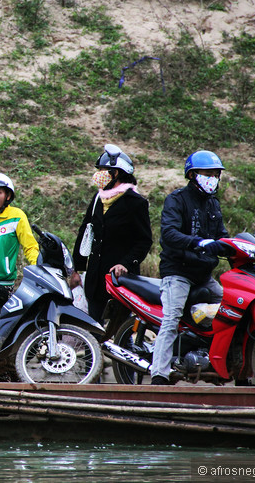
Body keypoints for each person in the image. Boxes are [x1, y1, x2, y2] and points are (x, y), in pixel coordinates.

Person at [150, 150, 228, 385]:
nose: (212, 178)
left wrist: (233, 247)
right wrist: (197, 242)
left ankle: (228, 365)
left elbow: (222, 236)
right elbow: (169, 234)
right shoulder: (177, 200)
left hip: (204, 274)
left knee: (230, 310)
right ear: (193, 175)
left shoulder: (213, 203)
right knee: (171, 318)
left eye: (216, 174)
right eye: (208, 173)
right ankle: (159, 374)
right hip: (178, 272)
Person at [73, 144, 152, 322]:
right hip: (95, 278)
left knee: (119, 327)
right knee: (93, 328)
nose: (98, 174)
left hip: (120, 279)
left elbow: (144, 241)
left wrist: (125, 264)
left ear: (116, 173)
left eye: (103, 170)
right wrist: (76, 268)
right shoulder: (97, 198)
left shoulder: (135, 202)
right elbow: (85, 231)